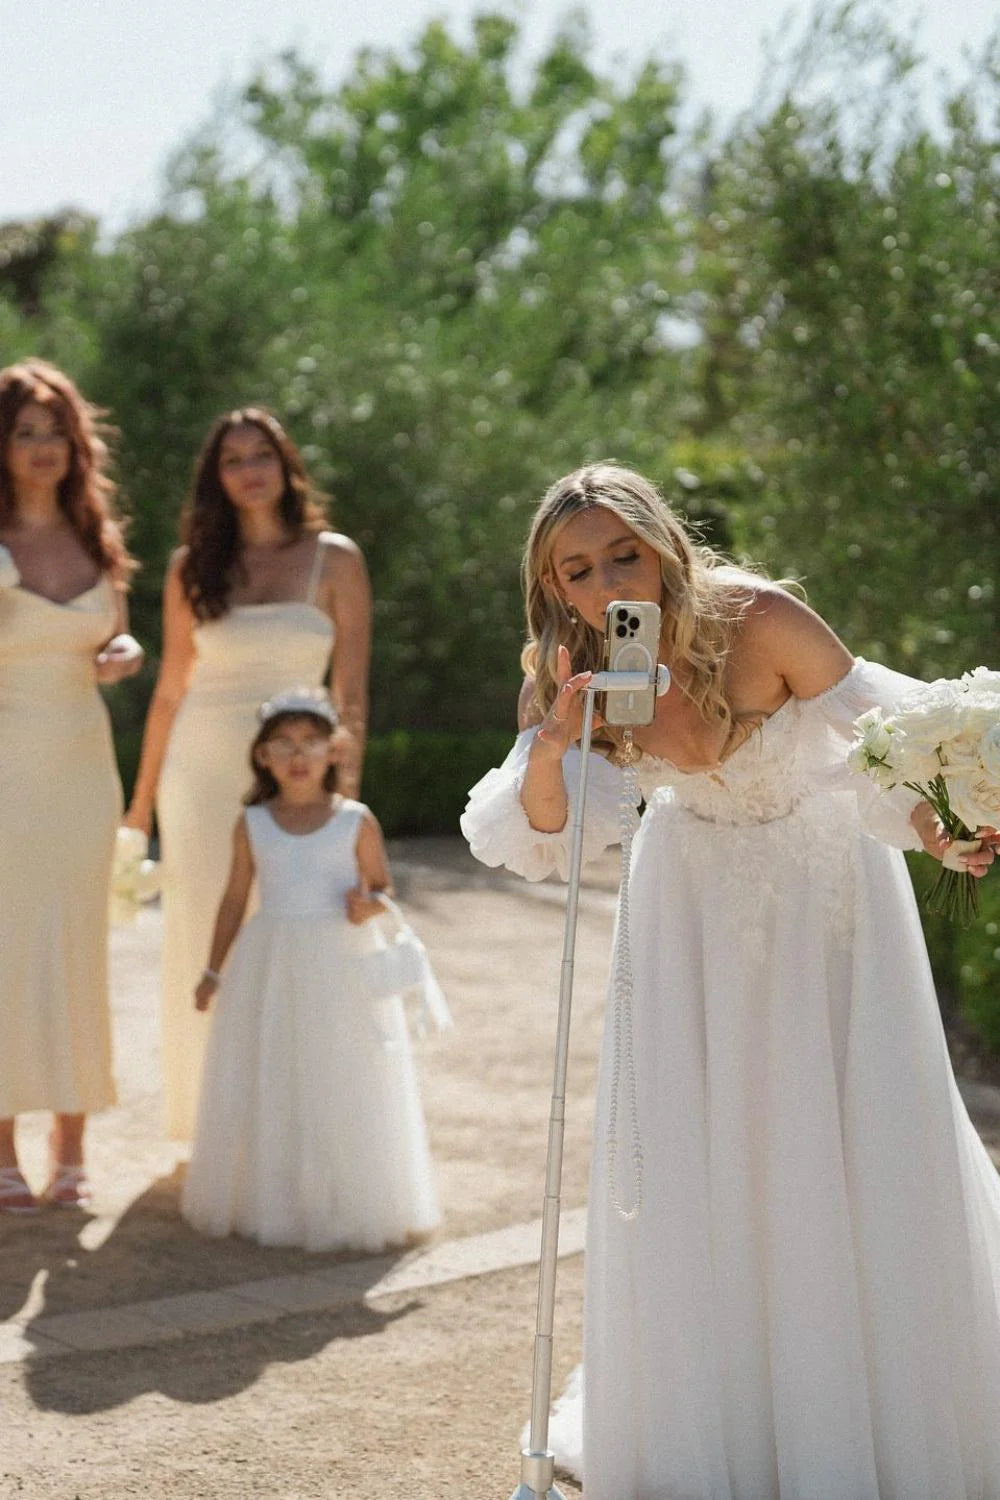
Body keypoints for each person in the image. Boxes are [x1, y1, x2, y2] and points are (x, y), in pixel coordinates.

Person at [461, 462, 1000, 1500]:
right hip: (687, 916)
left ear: (663, 540)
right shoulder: (569, 666)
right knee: (702, 1148)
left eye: (624, 550)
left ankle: (868, 1414)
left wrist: (942, 824)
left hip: (821, 898)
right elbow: (541, 835)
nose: (608, 579)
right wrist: (556, 742)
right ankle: (726, 1419)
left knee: (844, 1138)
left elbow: (880, 738)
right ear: (554, 586)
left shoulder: (758, 619)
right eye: (578, 568)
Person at [124, 409, 371, 1141]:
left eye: (260, 454)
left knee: (297, 930)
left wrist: (345, 804)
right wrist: (141, 807)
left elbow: (351, 694)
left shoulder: (338, 559)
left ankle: (294, 1122)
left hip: (301, 776)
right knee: (204, 931)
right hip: (200, 775)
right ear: (216, 479)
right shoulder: (187, 567)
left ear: (286, 463)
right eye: (231, 459)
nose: (248, 469)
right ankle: (213, 1120)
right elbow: (170, 688)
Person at [180, 688, 439, 1252]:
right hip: (267, 962)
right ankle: (274, 1196)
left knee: (339, 1072)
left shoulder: (355, 820)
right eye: (284, 744)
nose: (298, 756)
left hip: (338, 962)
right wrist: (212, 971)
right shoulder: (253, 821)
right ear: (262, 756)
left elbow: (381, 888)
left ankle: (345, 1195)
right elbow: (233, 899)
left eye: (311, 742)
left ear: (333, 750)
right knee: (273, 1068)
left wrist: (366, 903)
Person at [0, 359, 143, 1213]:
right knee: (4, 955)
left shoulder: (99, 542)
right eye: (25, 433)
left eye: (55, 432)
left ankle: (74, 1140)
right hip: (5, 768)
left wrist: (122, 658)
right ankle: (5, 1147)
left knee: (78, 952)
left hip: (84, 769)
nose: (43, 448)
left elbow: (111, 643)